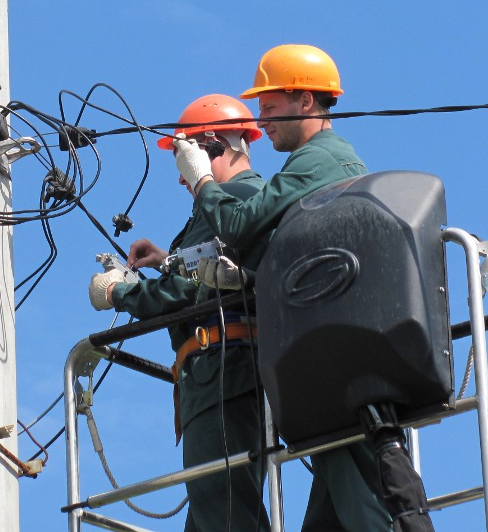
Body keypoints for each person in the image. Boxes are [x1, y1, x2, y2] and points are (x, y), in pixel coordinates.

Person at [174, 44, 395, 532]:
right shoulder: (320, 161)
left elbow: (237, 224)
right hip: (326, 342)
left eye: (271, 107)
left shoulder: (318, 162)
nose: (263, 119)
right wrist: (248, 281)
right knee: (333, 502)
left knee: (355, 496)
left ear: (308, 103)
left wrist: (205, 182)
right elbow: (307, 258)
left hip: (330, 344)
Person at [89, 94, 271, 532]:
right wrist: (166, 258)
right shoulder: (248, 200)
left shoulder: (228, 199)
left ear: (209, 148)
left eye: (184, 159)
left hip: (221, 373)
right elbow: (204, 271)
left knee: (223, 509)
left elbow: (184, 292)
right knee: (213, 511)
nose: (182, 179)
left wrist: (119, 292)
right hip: (232, 372)